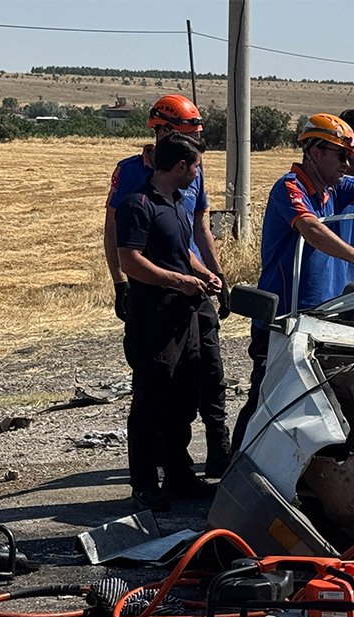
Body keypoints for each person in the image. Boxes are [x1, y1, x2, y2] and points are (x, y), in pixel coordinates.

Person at [229, 113, 354, 454]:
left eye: (348, 155)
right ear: (315, 151)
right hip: (284, 316)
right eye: (340, 155)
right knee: (267, 396)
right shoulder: (290, 187)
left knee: (311, 399)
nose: (346, 162)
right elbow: (310, 228)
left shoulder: (332, 188)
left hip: (322, 315)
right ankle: (239, 468)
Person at [105, 94, 231, 479]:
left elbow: (198, 229)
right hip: (156, 294)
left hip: (192, 290)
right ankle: (150, 475)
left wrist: (217, 275)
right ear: (160, 131)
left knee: (205, 372)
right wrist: (120, 282)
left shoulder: (188, 180)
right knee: (155, 386)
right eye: (183, 134)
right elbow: (118, 238)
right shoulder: (131, 179)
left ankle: (210, 452)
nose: (195, 154)